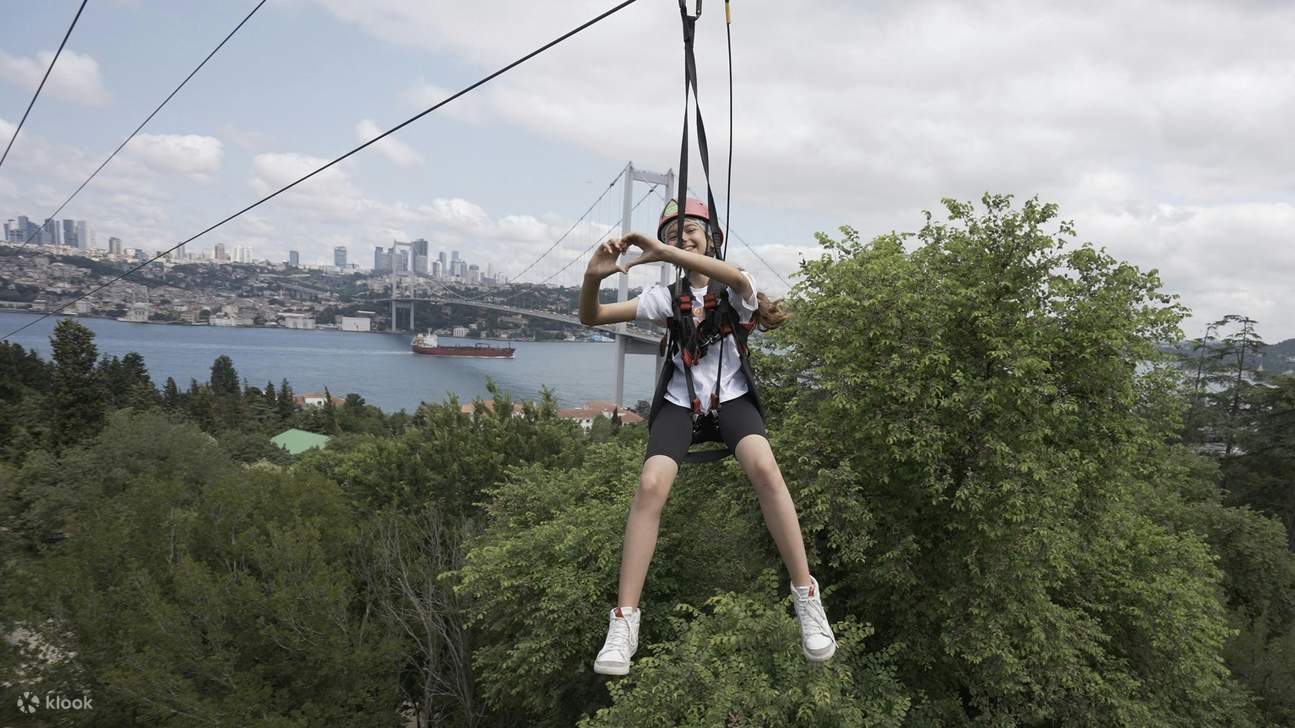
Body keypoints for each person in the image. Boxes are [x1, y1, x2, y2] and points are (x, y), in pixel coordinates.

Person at [578, 197, 836, 676]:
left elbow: (738, 280)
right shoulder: (664, 299)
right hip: (682, 404)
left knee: (764, 466)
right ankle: (624, 620)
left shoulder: (738, 287)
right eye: (674, 234)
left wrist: (663, 250)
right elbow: (591, 319)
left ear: (712, 238)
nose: (682, 238)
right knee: (651, 484)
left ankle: (806, 596)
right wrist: (595, 276)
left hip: (731, 400)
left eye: (692, 230)